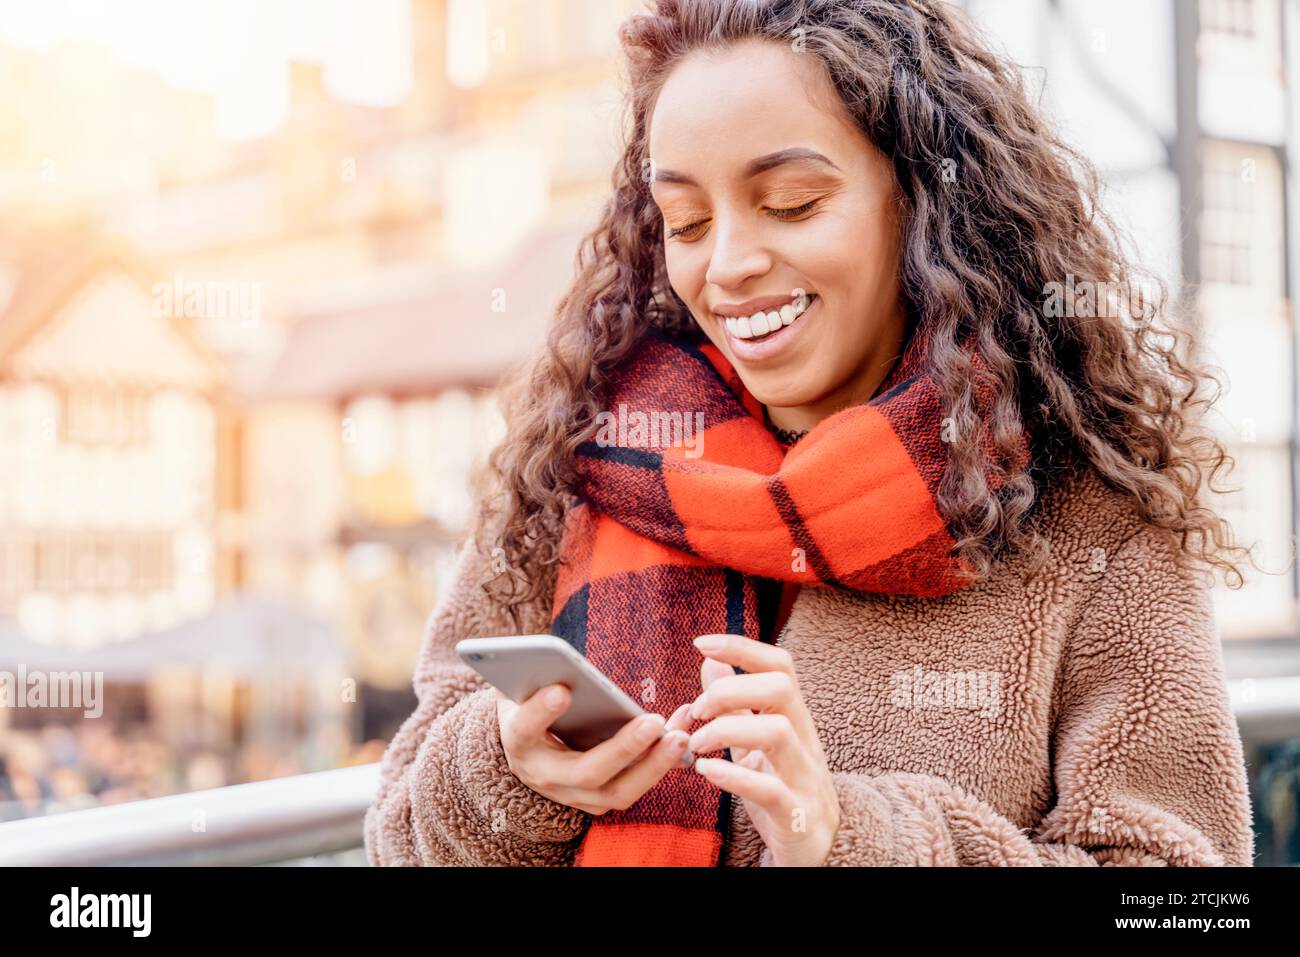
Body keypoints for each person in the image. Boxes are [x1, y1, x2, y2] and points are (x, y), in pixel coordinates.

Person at [366, 0, 1259, 866]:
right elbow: (397, 831)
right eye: (686, 220)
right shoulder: (580, 458)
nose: (727, 266)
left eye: (791, 203)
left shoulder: (1090, 518)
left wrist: (849, 838)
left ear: (922, 200)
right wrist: (507, 768)